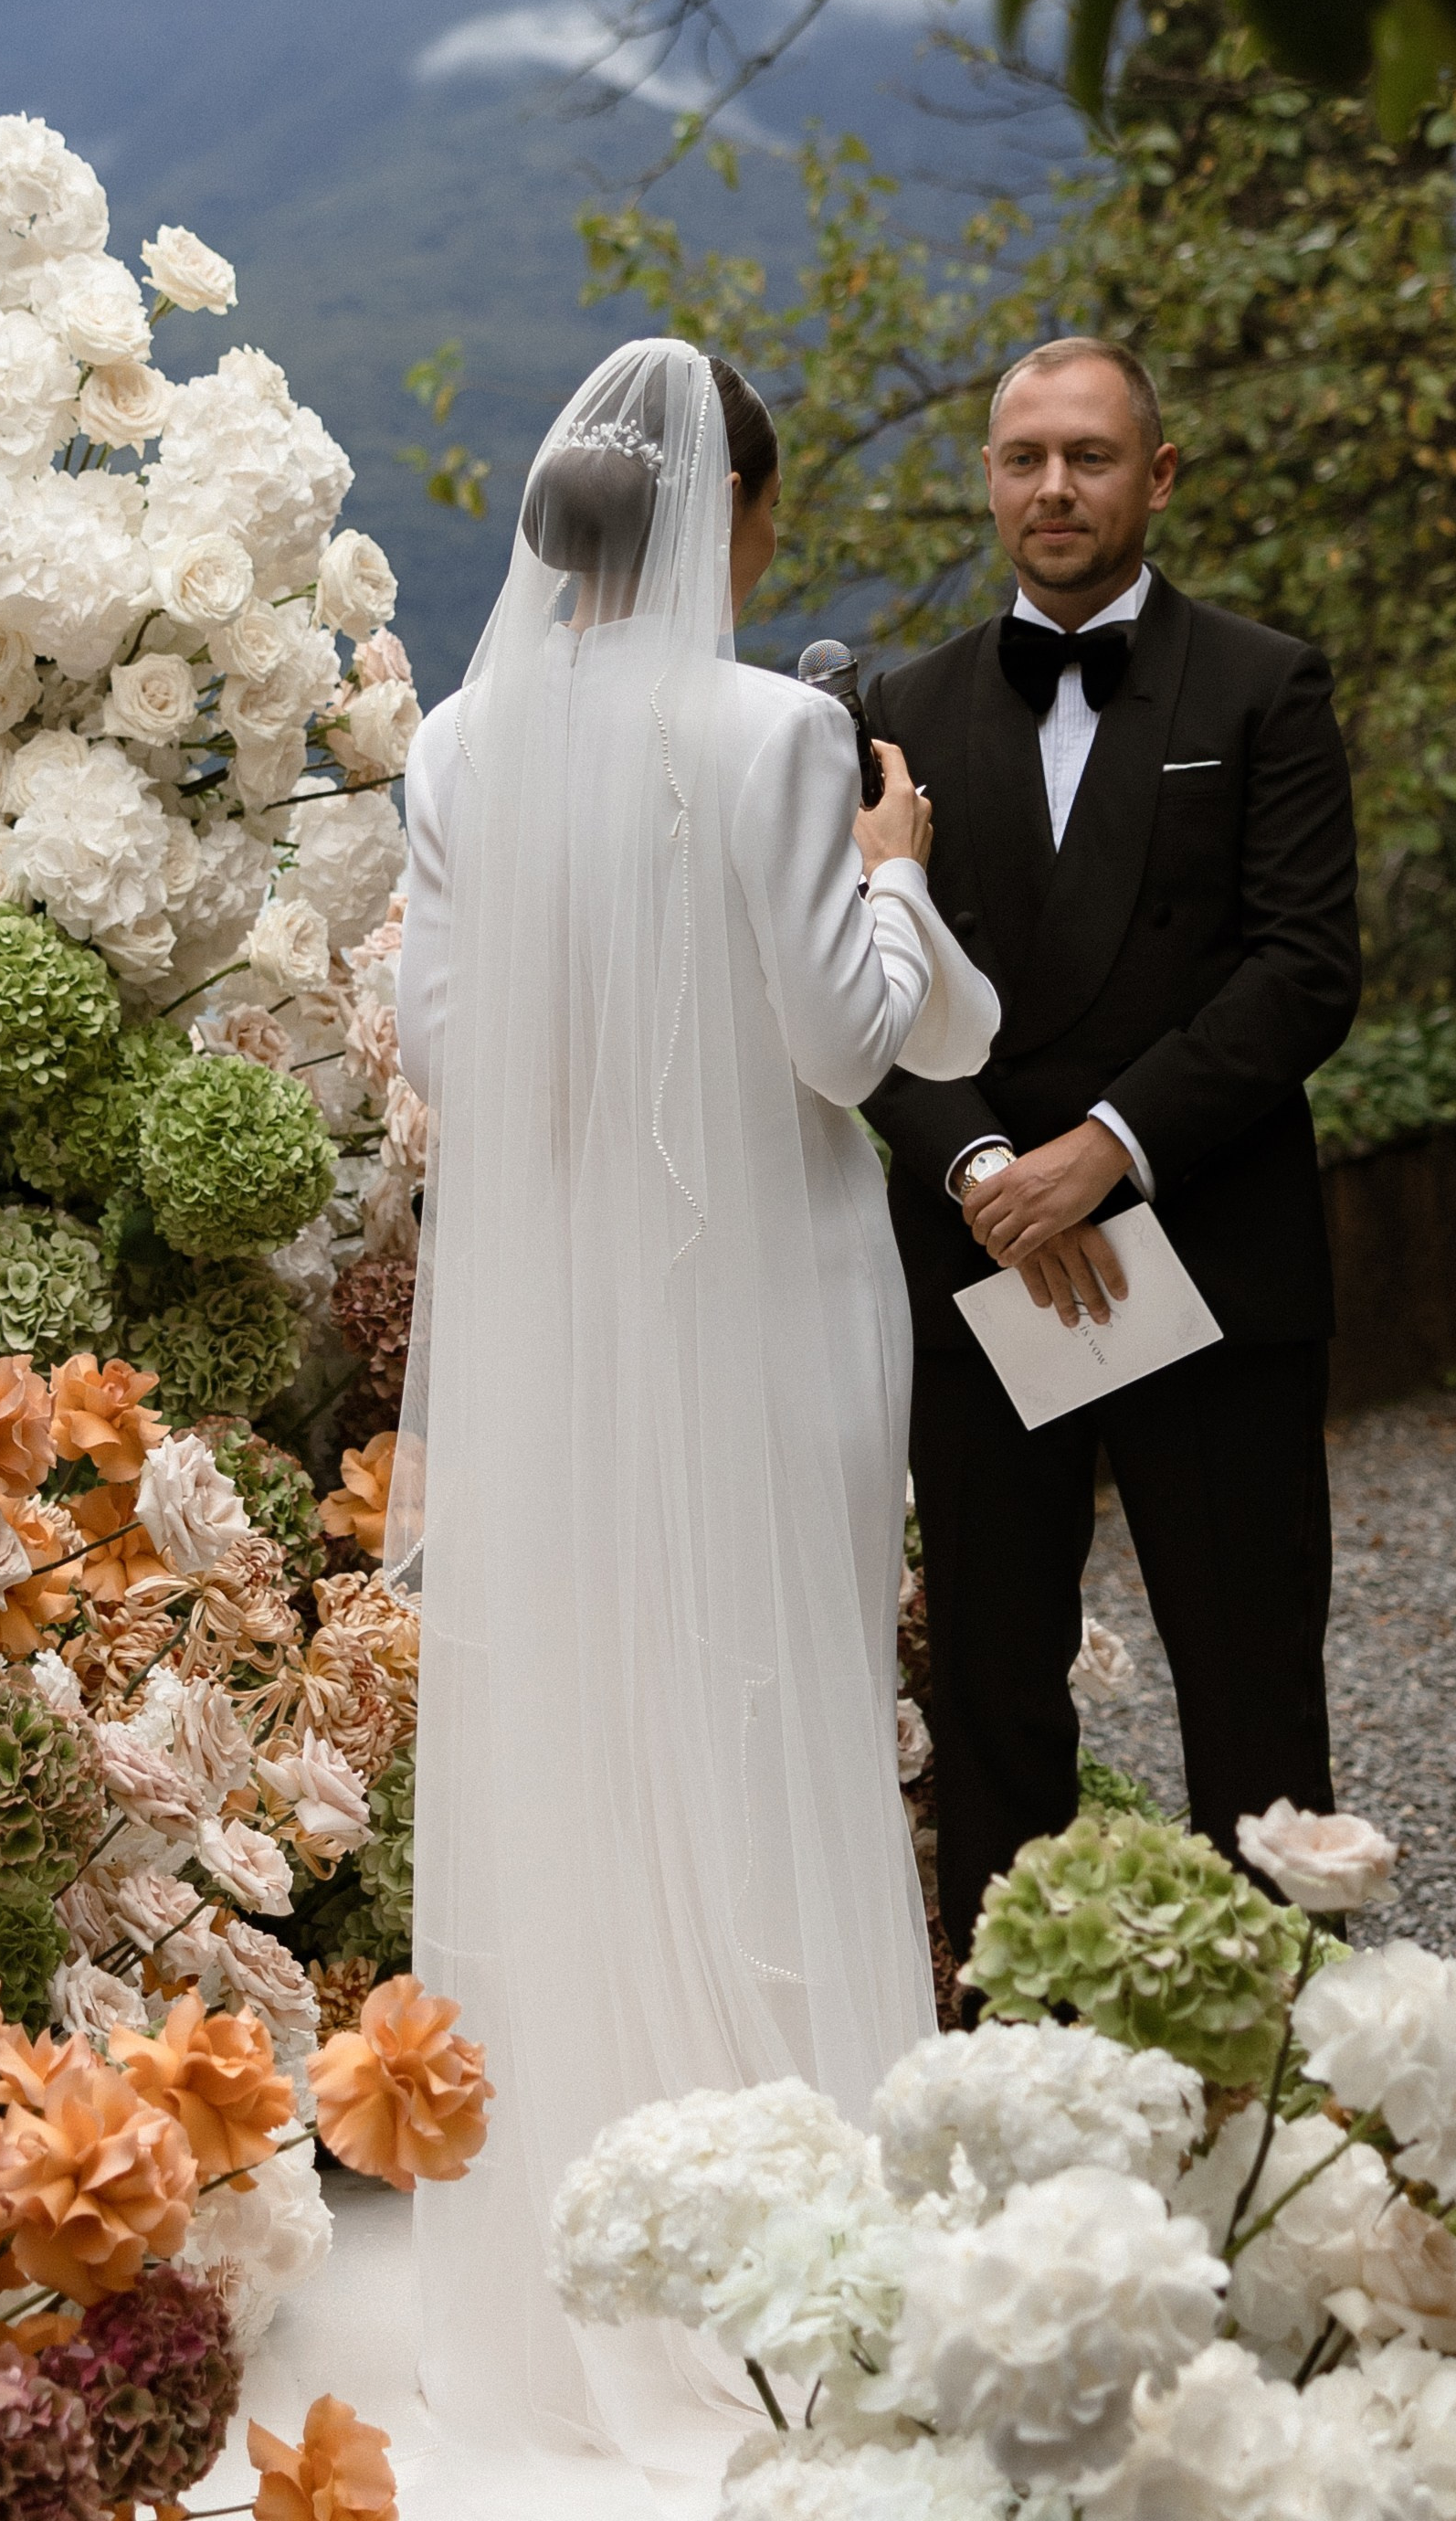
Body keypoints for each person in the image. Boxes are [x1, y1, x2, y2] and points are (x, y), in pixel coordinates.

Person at [392, 337, 997, 2506]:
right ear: (725, 515)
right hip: (770, 1312)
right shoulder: (781, 731)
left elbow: (446, 1045)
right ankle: (806, 2206)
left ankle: (604, 2215)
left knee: (596, 1721)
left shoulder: (458, 746)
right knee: (791, 1707)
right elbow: (849, 1051)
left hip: (568, 1344)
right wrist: (898, 864)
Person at [859, 335, 1360, 1975]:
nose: (1054, 488)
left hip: (1206, 1253)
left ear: (1161, 474)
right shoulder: (901, 709)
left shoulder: (1264, 685)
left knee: (1252, 1689)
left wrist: (1107, 1149)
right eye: (1024, 459)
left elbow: (1303, 969)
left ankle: (1287, 2073)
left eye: (1089, 456)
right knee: (996, 1690)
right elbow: (870, 983)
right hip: (991, 1258)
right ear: (989, 480)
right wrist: (990, 1167)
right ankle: (1011, 2069)